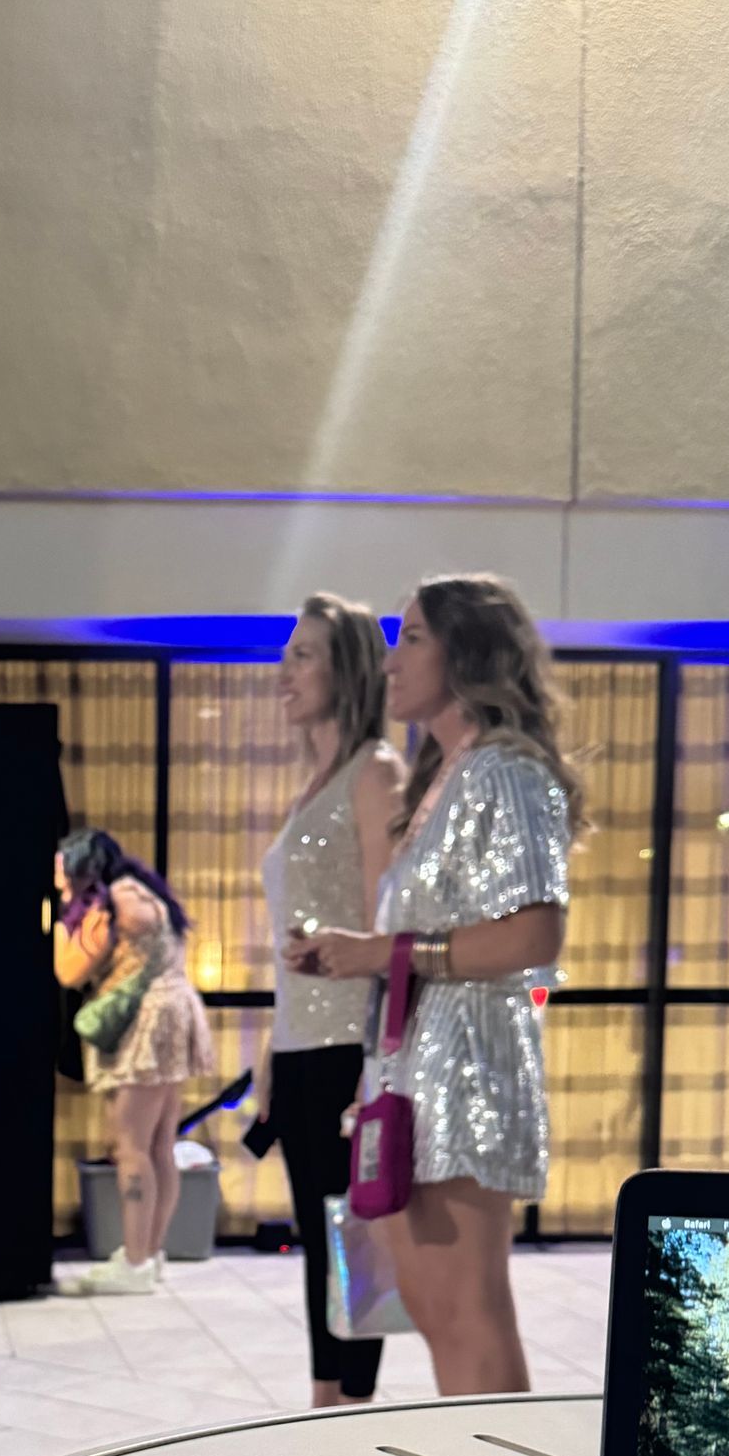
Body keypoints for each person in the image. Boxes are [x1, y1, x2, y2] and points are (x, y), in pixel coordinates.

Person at [284, 574, 578, 1396]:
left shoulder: (503, 771)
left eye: (413, 636)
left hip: (469, 1068)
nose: (391, 656)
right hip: (416, 1070)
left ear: (469, 652)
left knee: (466, 1308)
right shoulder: (442, 777)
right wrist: (362, 955)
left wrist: (383, 954)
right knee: (428, 1301)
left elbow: (534, 933)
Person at [258, 596, 404, 1406]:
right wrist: (268, 1050)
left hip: (351, 1045)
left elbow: (392, 922)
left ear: (346, 669)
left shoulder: (375, 771)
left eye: (305, 654)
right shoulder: (308, 785)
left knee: (355, 1244)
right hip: (299, 1044)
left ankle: (347, 1416)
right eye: (287, 653)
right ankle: (326, 1408)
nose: (286, 670)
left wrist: (380, 1061)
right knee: (320, 1243)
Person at [54, 827, 213, 1297]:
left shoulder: (115, 902)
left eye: (64, 873)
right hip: (172, 1013)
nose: (58, 882)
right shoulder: (141, 891)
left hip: (145, 1024)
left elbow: (69, 970)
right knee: (160, 1143)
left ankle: (136, 1260)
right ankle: (149, 1253)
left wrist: (62, 921)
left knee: (130, 1146)